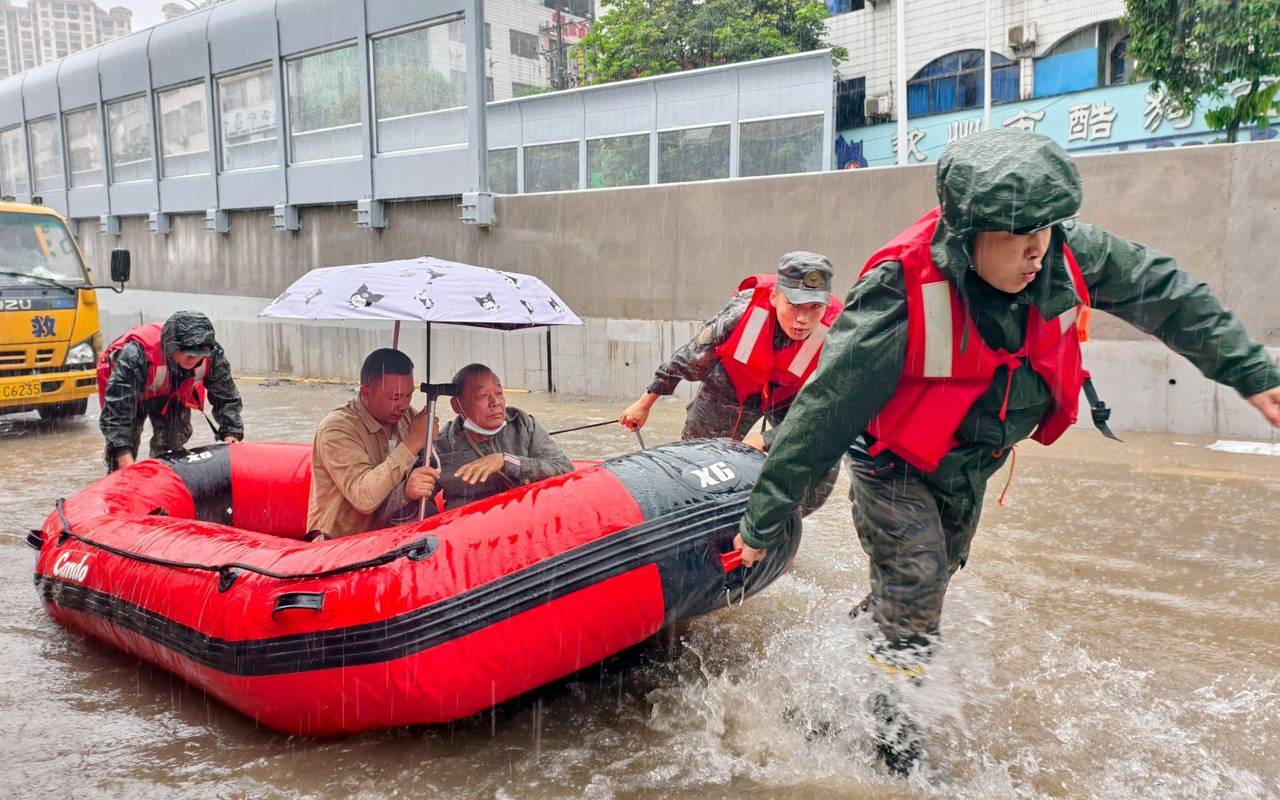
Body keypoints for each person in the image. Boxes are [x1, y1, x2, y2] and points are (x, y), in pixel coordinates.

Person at [731, 129, 1280, 773]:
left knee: (920, 590)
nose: (1035, 252)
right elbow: (825, 409)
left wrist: (1251, 371)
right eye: (1018, 237)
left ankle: (830, 672)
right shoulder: (901, 288)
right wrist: (763, 519)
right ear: (968, 235)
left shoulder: (1065, 253)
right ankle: (891, 754)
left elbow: (1168, 293)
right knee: (915, 586)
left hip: (969, 468)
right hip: (895, 465)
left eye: (1045, 232)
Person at [618, 252, 844, 512]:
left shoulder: (840, 337)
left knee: (820, 463)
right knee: (696, 461)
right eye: (794, 305)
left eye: (814, 306)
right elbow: (690, 356)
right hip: (733, 385)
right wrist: (645, 402)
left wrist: (763, 443)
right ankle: (695, 518)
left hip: (793, 396)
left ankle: (772, 528)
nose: (803, 319)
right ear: (774, 297)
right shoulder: (742, 313)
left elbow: (827, 414)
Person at [307, 348, 439, 539]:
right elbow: (364, 498)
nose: (403, 405)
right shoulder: (337, 429)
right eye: (395, 397)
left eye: (408, 395)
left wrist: (430, 442)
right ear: (366, 392)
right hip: (339, 543)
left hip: (389, 534)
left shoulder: (406, 417)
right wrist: (412, 443)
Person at [98, 310, 243, 471]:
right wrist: (123, 454)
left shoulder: (212, 354)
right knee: (122, 451)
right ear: (171, 347)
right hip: (131, 400)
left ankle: (165, 478)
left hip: (173, 397)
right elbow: (117, 410)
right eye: (188, 353)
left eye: (199, 354)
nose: (193, 359)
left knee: (172, 445)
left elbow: (226, 397)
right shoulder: (136, 355)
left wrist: (232, 433)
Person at [433, 363, 572, 510]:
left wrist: (508, 462)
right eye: (482, 396)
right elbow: (420, 499)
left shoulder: (523, 424)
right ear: (457, 405)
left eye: (499, 393)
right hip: (471, 527)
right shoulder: (441, 445)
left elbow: (564, 468)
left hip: (525, 517)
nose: (495, 402)